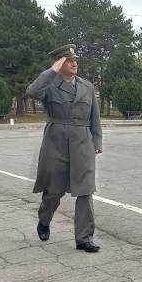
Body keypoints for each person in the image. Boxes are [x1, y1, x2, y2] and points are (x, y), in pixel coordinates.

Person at [26, 44, 103, 252]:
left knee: (85, 191)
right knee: (53, 191)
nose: (75, 63)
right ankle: (44, 220)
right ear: (59, 63)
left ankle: (84, 238)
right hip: (56, 142)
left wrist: (97, 143)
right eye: (69, 60)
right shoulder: (50, 85)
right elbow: (32, 91)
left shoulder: (86, 86)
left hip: (83, 143)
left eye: (75, 59)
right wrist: (52, 71)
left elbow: (94, 118)